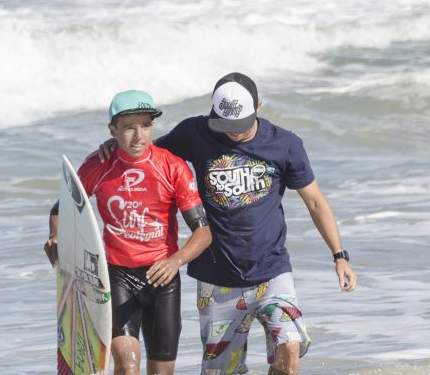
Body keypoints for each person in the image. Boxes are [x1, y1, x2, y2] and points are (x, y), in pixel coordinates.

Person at [96, 73, 358, 375]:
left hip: (272, 272)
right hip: (216, 278)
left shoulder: (285, 144)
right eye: (225, 126)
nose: (232, 134)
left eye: (240, 126)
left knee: (289, 347)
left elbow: (315, 202)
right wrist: (114, 144)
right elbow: (147, 154)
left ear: (258, 107)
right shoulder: (195, 132)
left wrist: (339, 256)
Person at [44, 89, 212, 375]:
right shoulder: (97, 167)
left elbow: (203, 232)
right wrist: (57, 236)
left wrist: (176, 260)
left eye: (145, 126)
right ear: (112, 130)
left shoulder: (172, 167)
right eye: (128, 128)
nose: (138, 136)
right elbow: (61, 209)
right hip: (117, 276)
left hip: (163, 279)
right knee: (127, 359)